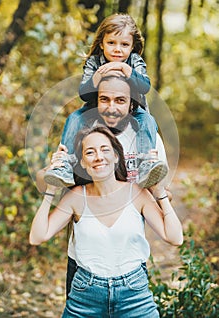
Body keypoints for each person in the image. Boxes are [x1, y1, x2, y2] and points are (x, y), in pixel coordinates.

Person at [30, 125, 183, 318]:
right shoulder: (76, 197)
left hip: (134, 295)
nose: (98, 157)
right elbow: (37, 236)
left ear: (116, 156)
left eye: (105, 150)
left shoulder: (137, 194)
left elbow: (175, 237)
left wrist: (159, 192)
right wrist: (51, 189)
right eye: (90, 152)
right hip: (85, 296)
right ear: (83, 163)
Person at [44, 13, 167, 188]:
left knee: (148, 120)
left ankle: (146, 162)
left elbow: (145, 87)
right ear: (102, 43)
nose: (118, 49)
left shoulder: (134, 61)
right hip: (94, 107)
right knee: (74, 118)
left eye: (124, 45)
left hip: (134, 108)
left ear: (132, 46)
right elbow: (84, 95)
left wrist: (126, 70)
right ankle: (64, 163)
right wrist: (97, 76)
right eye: (111, 43)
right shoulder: (94, 62)